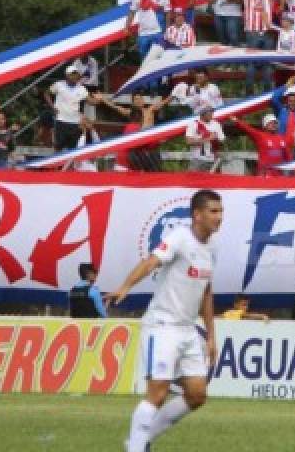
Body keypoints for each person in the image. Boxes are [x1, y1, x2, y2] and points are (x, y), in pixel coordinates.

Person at [108, 190, 222, 452]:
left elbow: (206, 291)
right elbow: (151, 262)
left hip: (187, 330)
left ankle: (138, 440)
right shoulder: (179, 238)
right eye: (213, 211)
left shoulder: (213, 246)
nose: (219, 217)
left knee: (196, 394)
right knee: (158, 391)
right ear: (197, 214)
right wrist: (126, 286)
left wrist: (211, 335)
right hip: (162, 326)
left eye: (221, 211)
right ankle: (136, 448)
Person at [45, 64, 98, 151]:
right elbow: (46, 93)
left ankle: (71, 165)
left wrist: (99, 100)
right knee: (58, 148)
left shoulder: (82, 89)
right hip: (61, 120)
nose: (75, 76)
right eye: (72, 74)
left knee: (73, 150)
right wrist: (52, 107)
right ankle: (58, 165)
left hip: (75, 123)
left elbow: (91, 102)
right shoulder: (58, 85)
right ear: (67, 75)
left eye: (76, 74)